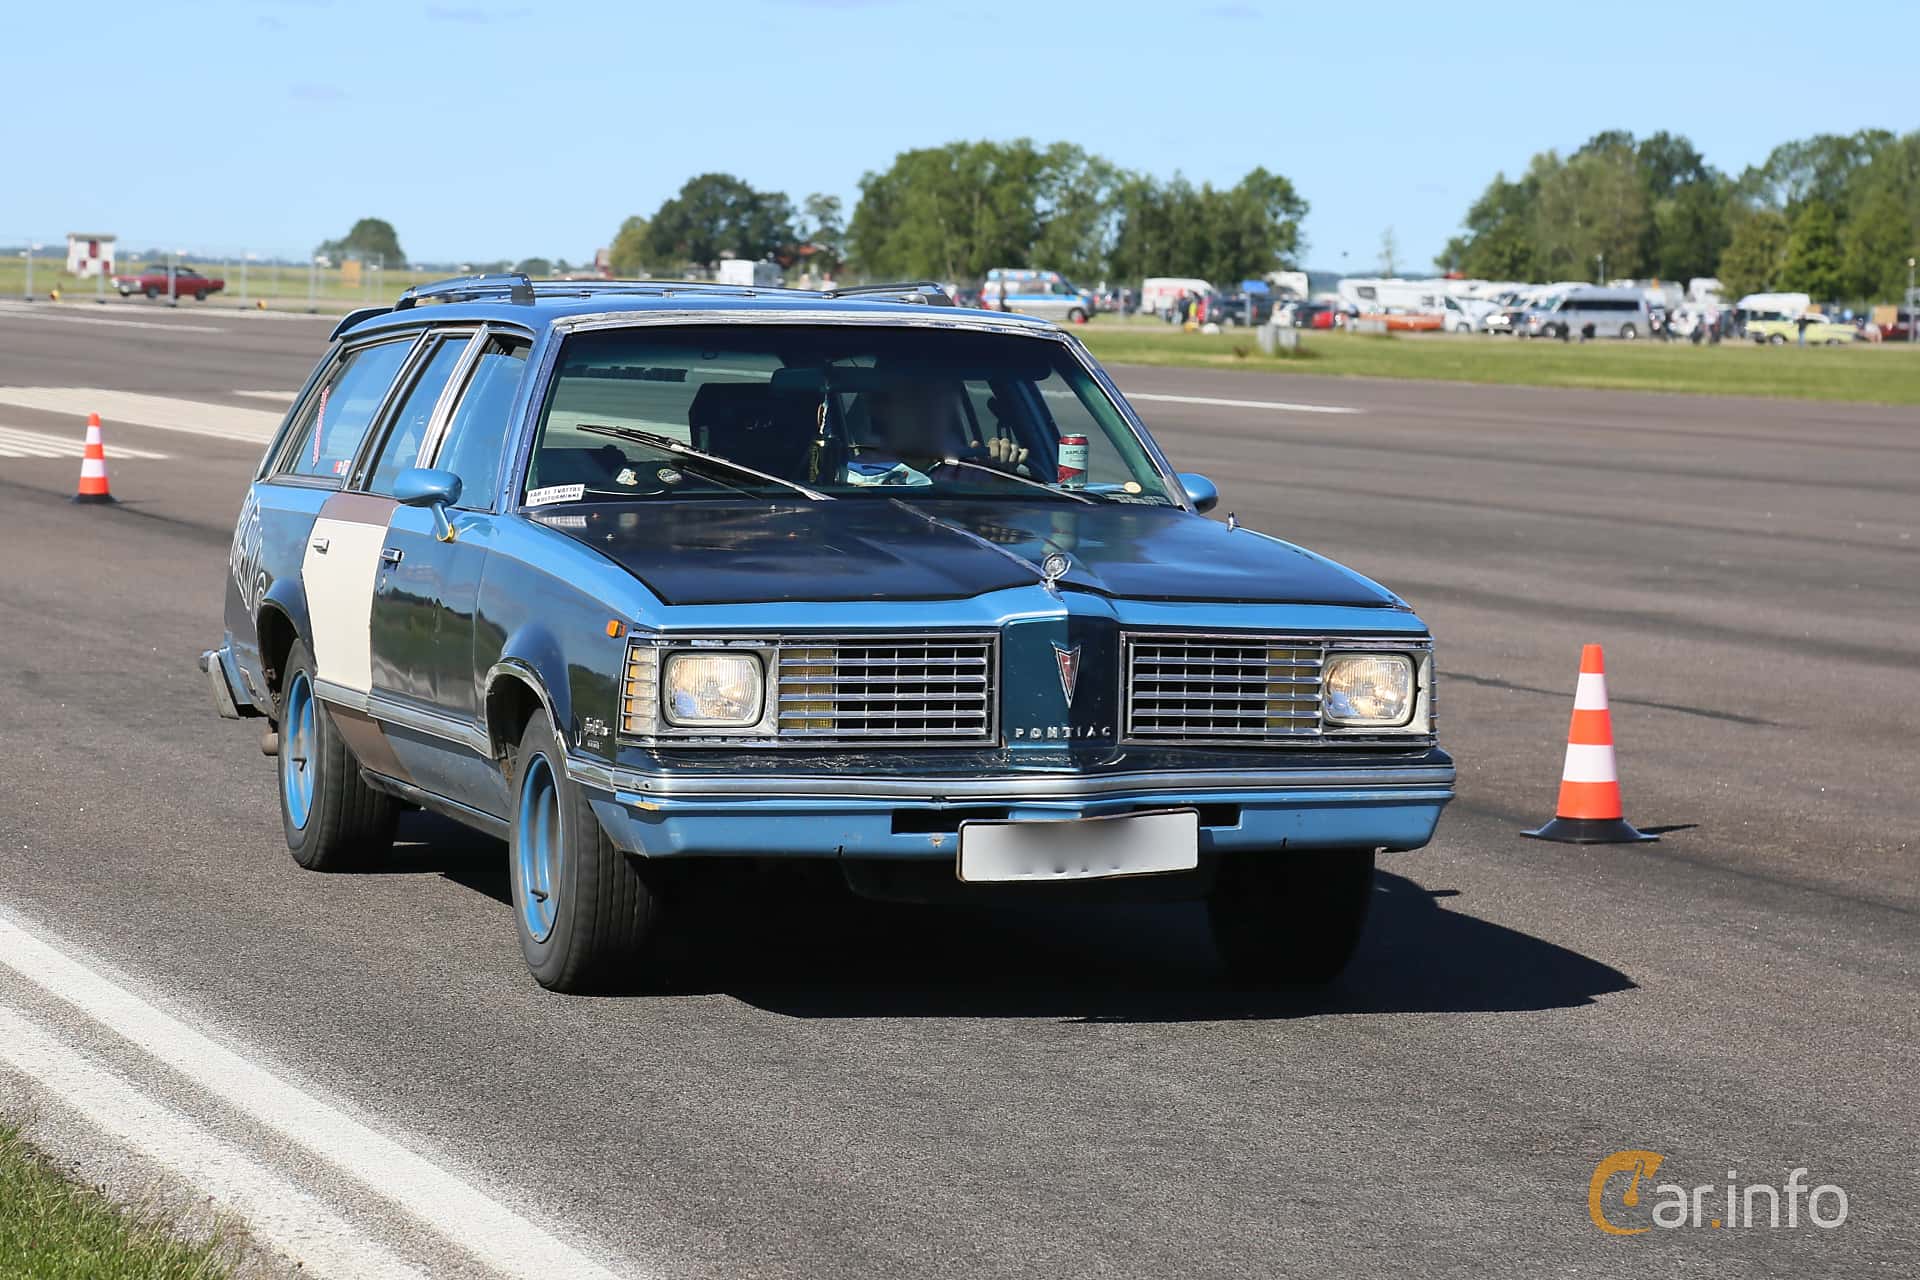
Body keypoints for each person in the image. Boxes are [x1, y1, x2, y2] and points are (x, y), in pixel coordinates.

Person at [840, 378, 1029, 486]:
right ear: (882, 410)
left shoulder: (977, 472)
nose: (930, 410)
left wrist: (1003, 474)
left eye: (939, 399)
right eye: (914, 399)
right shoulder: (853, 476)